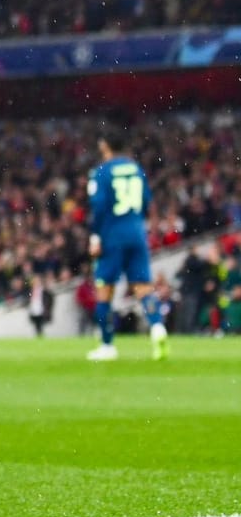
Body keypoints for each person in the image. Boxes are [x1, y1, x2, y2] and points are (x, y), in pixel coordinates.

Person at [85, 126, 154, 362]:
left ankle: (107, 345)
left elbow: (99, 208)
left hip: (112, 235)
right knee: (143, 287)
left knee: (104, 290)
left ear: (105, 145)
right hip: (137, 232)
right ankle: (158, 328)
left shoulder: (102, 172)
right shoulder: (136, 169)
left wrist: (95, 237)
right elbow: (146, 201)